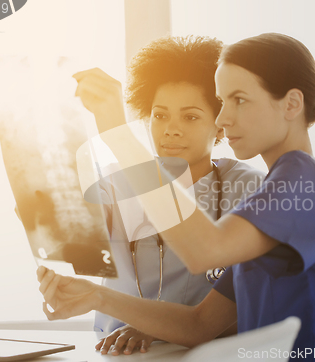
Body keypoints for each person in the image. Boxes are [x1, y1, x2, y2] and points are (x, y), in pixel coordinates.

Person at [38, 33, 315, 361]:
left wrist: (118, 135)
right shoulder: (282, 197)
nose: (223, 119)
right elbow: (200, 325)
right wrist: (97, 296)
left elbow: (204, 252)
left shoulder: (300, 183)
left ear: (292, 104)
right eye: (223, 102)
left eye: (238, 100)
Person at [87, 36, 265, 355]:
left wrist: (155, 327)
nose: (171, 129)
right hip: (115, 352)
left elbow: (252, 305)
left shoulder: (249, 187)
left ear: (220, 125)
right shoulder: (115, 180)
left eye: (190, 116)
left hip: (205, 354)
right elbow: (67, 233)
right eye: (160, 115)